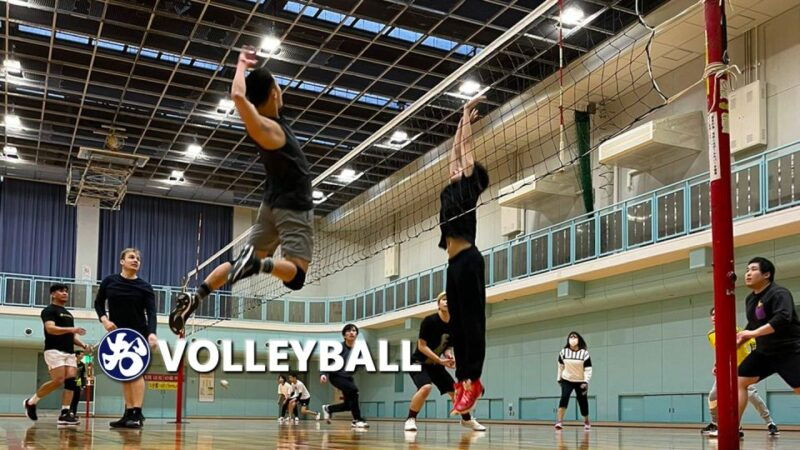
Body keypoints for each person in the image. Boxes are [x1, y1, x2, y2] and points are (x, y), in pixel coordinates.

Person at [169, 45, 314, 335]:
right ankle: (262, 265)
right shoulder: (269, 129)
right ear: (274, 92)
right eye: (279, 86)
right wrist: (241, 67)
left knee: (239, 264)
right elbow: (237, 96)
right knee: (295, 276)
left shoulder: (270, 122)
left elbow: (240, 94)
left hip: (271, 203)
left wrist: (242, 68)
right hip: (293, 204)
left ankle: (196, 296)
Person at [711, 257, 800, 438]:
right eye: (747, 270)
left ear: (766, 274)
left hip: (789, 350)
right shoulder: (751, 300)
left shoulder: (779, 293)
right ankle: (732, 428)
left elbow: (782, 319)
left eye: (753, 269)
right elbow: (751, 327)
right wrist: (726, 355)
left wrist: (752, 334)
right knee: (738, 381)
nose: (748, 274)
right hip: (764, 352)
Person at [439, 96, 489, 415]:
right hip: (453, 264)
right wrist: (461, 116)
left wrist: (467, 123)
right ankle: (461, 381)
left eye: (463, 167)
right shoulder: (451, 186)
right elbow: (454, 151)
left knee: (472, 324)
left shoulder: (469, 187)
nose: (456, 165)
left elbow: (465, 150)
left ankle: (474, 380)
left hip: (469, 259)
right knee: (456, 326)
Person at [94, 248, 158, 429]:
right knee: (125, 374)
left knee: (136, 372)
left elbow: (151, 313)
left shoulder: (145, 287)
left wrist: (151, 333)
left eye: (138, 258)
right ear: (122, 261)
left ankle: (136, 413)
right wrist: (104, 320)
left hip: (138, 334)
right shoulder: (110, 282)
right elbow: (98, 303)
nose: (136, 260)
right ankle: (128, 413)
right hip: (117, 335)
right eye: (131, 257)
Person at [404, 292, 485, 432]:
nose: (447, 302)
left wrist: (449, 356)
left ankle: (467, 420)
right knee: (425, 387)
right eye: (444, 299)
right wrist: (440, 361)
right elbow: (421, 346)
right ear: (438, 304)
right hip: (418, 362)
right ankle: (410, 419)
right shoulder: (429, 321)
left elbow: (447, 346)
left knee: (455, 392)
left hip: (436, 364)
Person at [702, 306, 778, 436]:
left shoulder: (737, 331)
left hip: (741, 371)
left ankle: (770, 423)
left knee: (752, 396)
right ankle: (716, 423)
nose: (715, 317)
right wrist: (717, 364)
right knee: (713, 396)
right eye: (713, 315)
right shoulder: (711, 335)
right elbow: (721, 352)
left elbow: (749, 346)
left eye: (717, 314)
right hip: (725, 370)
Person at [24, 283, 90, 426]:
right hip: (54, 350)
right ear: (53, 294)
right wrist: (72, 329)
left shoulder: (69, 314)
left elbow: (71, 336)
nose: (65, 293)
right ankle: (31, 402)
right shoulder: (49, 310)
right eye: (61, 291)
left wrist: (84, 345)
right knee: (58, 380)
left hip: (69, 352)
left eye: (66, 291)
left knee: (71, 381)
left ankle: (65, 413)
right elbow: (51, 329)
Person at [320, 324, 368, 428]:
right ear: (344, 335)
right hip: (336, 376)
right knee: (354, 390)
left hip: (347, 378)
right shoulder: (338, 348)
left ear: (356, 334)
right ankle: (357, 419)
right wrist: (323, 374)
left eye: (354, 331)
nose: (352, 332)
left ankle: (328, 409)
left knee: (348, 405)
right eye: (349, 331)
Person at [555, 332, 592, 431]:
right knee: (564, 398)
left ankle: (586, 421)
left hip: (580, 381)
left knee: (582, 401)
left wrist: (586, 381)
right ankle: (559, 422)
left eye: (575, 336)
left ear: (579, 339)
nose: (573, 338)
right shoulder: (563, 352)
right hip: (567, 379)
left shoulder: (584, 353)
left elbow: (588, 369)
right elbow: (560, 366)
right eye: (571, 337)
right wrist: (559, 378)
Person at [69, 349, 88, 417]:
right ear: (77, 355)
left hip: (78, 381)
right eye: (81, 354)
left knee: (76, 398)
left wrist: (83, 385)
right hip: (71, 381)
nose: (83, 355)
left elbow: (83, 375)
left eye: (83, 354)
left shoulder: (82, 364)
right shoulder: (71, 363)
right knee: (70, 397)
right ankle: (69, 412)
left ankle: (74, 413)